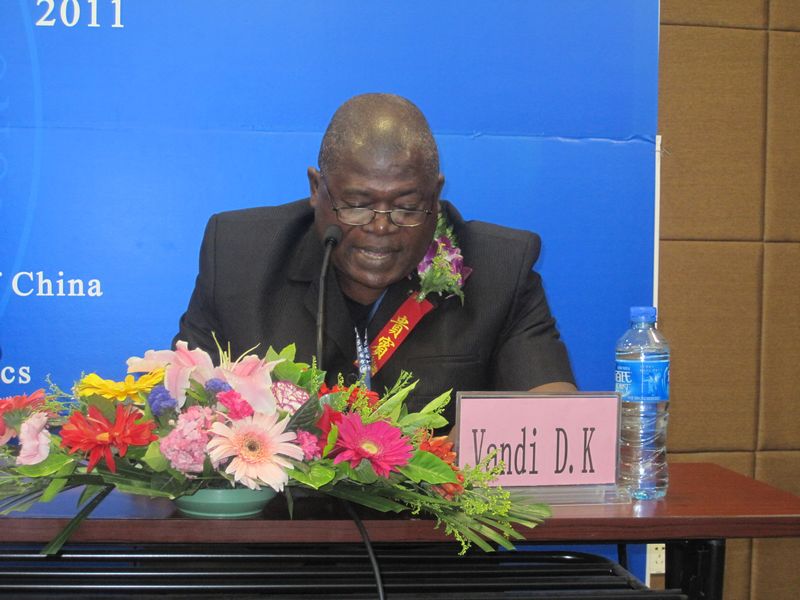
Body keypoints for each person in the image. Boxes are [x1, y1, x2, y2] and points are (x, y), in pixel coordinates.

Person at [175, 93, 575, 424]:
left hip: (435, 498)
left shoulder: (499, 268)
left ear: (435, 197)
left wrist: (475, 446)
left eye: (406, 206)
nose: (381, 226)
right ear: (316, 189)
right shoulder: (239, 257)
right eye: (356, 204)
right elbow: (184, 411)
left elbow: (556, 412)